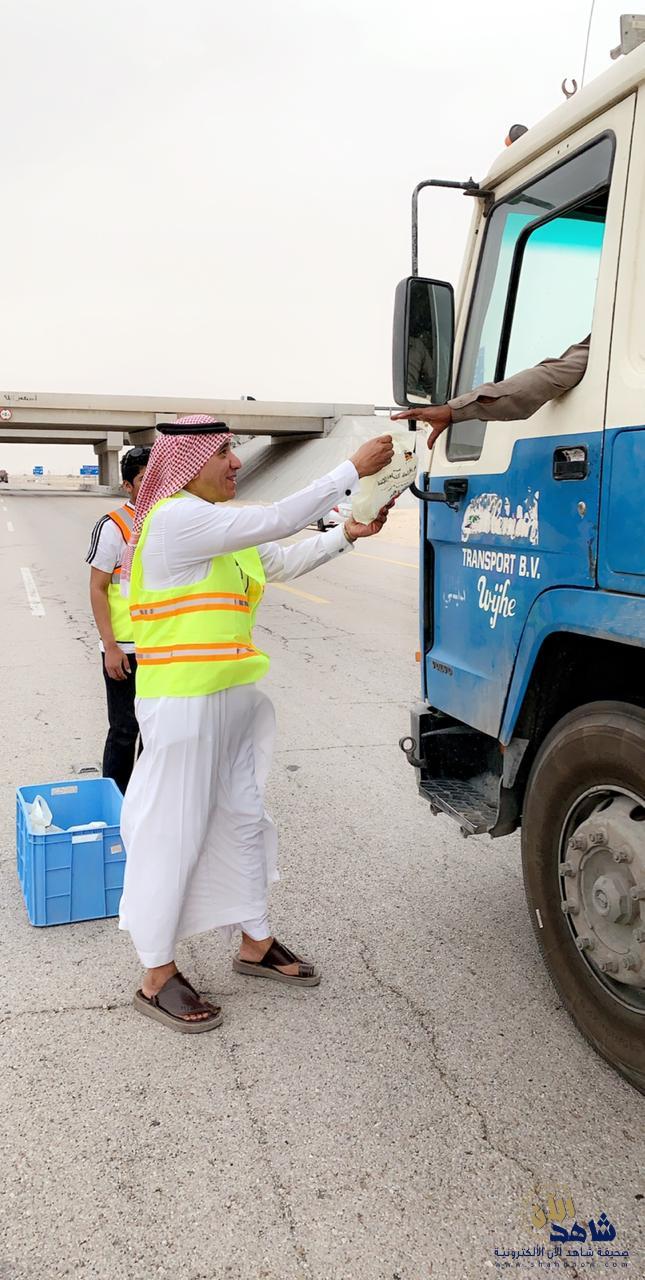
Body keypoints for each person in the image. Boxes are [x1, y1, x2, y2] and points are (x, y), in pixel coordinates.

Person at [118, 416, 395, 1033]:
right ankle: (156, 974)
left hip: (230, 701)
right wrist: (350, 471)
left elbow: (280, 558)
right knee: (172, 832)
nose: (237, 462)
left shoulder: (218, 528)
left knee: (243, 821)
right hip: (183, 705)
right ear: (189, 463)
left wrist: (347, 535)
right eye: (224, 452)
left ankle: (255, 942)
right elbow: (278, 519)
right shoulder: (175, 519)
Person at [86, 446, 150, 793]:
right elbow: (98, 588)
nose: (152, 485)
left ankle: (144, 804)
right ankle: (115, 804)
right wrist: (110, 646)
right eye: (143, 479)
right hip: (125, 648)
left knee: (156, 734)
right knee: (125, 731)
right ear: (127, 485)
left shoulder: (168, 520)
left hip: (162, 647)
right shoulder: (113, 526)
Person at [392, 336, 590, 444]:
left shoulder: (603, 344)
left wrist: (454, 410)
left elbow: (550, 377)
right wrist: (453, 411)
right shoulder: (603, 345)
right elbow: (549, 378)